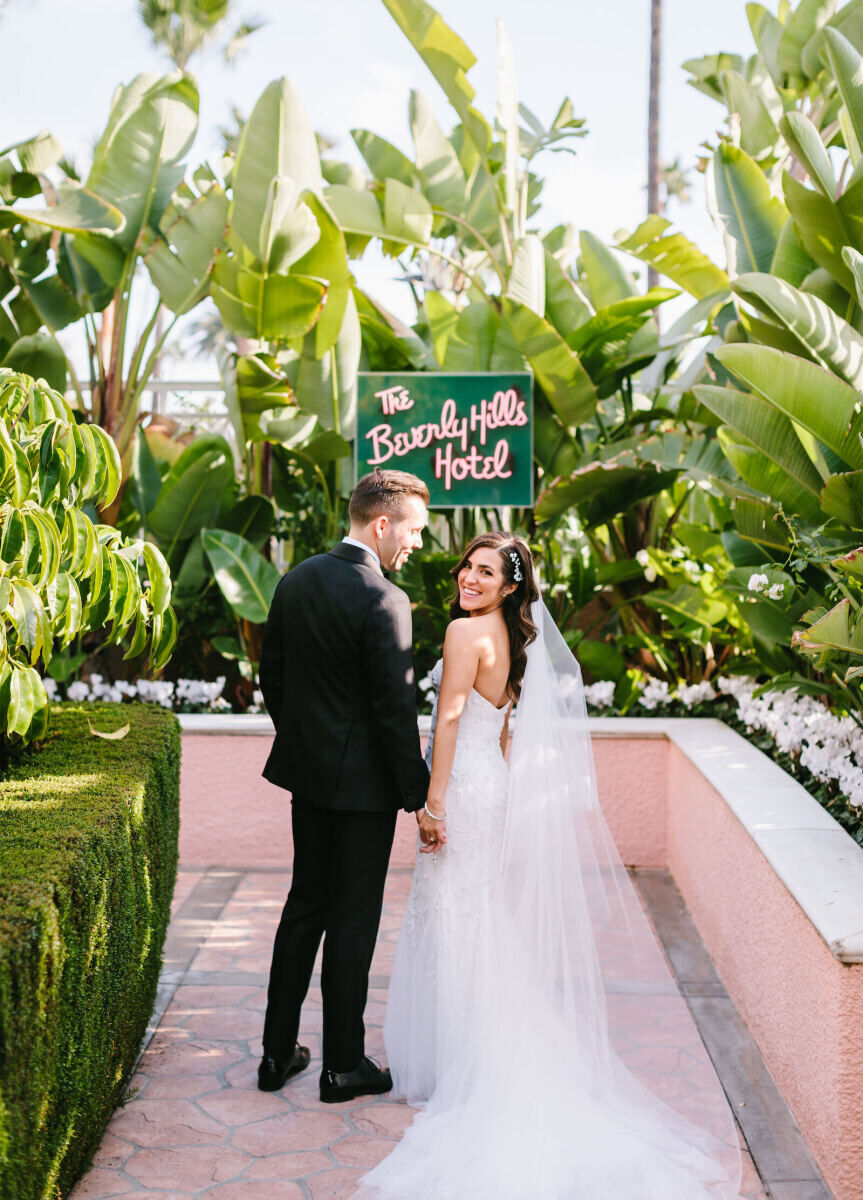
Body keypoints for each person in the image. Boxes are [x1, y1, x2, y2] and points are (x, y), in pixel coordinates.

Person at [355, 531, 743, 1200]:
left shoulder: (461, 633)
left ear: (510, 586)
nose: (469, 579)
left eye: (485, 573)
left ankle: (469, 1065)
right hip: (492, 788)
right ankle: (478, 1051)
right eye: (466, 568)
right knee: (476, 918)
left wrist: (432, 803)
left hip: (462, 791)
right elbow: (503, 728)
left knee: (456, 919)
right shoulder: (514, 639)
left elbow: (447, 720)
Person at [257, 469, 431, 1104]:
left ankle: (277, 1056)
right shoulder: (385, 599)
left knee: (305, 905)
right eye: (412, 531)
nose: (415, 543)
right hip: (364, 794)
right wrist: (419, 793)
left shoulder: (297, 578)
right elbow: (394, 711)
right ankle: (343, 1067)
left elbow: (271, 673)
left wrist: (308, 745)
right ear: (381, 525)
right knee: (353, 920)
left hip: (310, 780)